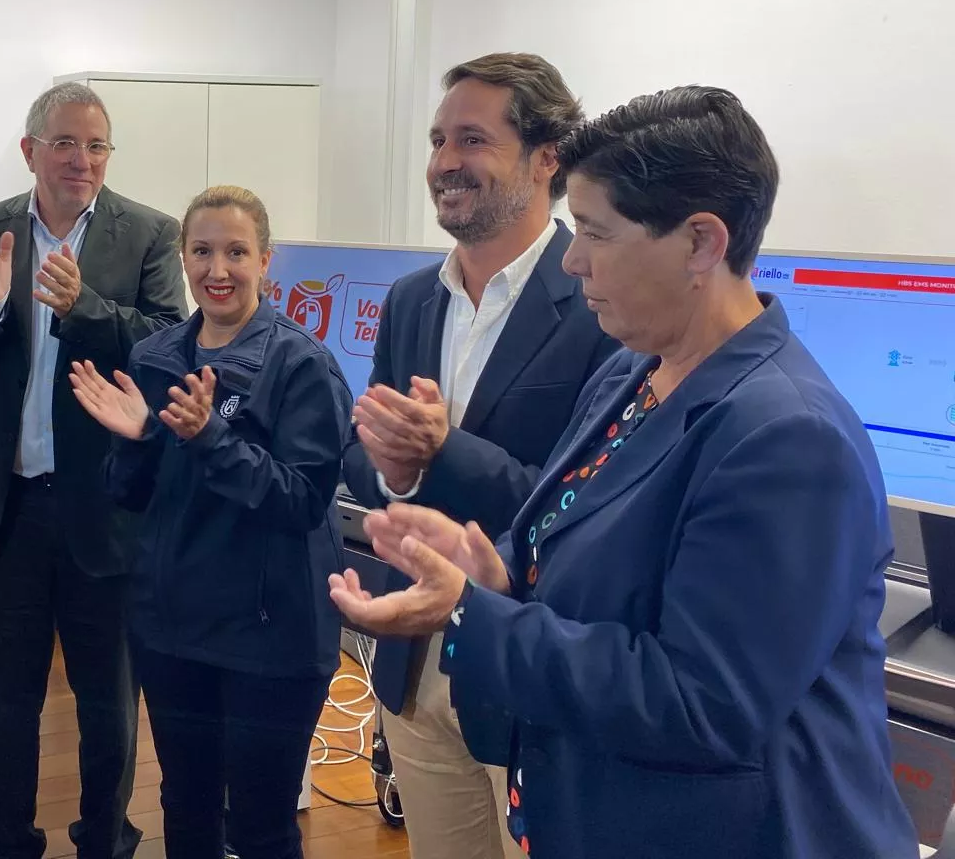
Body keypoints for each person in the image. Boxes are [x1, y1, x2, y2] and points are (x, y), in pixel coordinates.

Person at [330, 86, 920, 859]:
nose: (572, 258)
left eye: (597, 234)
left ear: (701, 243)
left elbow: (700, 703)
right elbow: (579, 551)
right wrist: (494, 568)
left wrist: (470, 612)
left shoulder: (787, 436)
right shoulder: (635, 375)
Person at [340, 53, 617, 859]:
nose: (445, 164)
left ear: (546, 158)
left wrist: (443, 451)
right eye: (437, 141)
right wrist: (394, 469)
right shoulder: (410, 299)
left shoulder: (602, 305)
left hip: (526, 665)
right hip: (412, 663)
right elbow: (373, 462)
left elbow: (583, 512)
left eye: (472, 139)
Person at [0, 81, 185, 859]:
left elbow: (170, 350)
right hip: (9, 511)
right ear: (31, 150)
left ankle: (105, 839)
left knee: (109, 705)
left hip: (106, 511)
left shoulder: (147, 234)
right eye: (66, 143)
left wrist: (87, 312)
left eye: (97, 145)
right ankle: (8, 843)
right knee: (10, 705)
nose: (82, 160)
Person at [71, 185, 351, 859]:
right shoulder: (156, 356)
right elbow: (131, 495)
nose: (216, 270)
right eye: (202, 251)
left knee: (260, 825)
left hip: (271, 637)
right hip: (174, 632)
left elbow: (301, 501)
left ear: (266, 261)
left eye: (235, 252)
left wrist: (210, 440)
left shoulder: (304, 366)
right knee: (185, 807)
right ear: (183, 256)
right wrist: (137, 440)